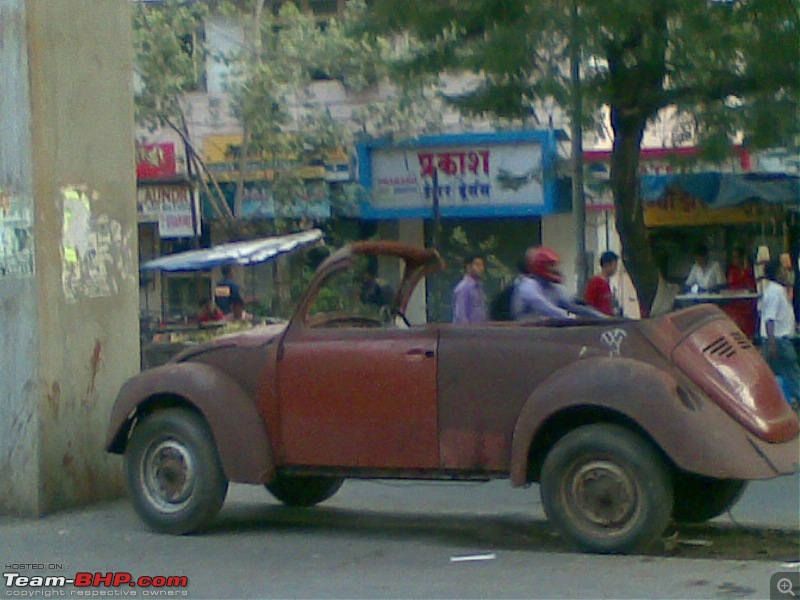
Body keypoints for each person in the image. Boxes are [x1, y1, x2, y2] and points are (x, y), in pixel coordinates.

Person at [511, 246, 607, 321]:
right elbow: (545, 308)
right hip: (525, 335)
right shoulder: (528, 286)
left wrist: (601, 317)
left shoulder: (552, 288)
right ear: (540, 266)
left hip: (542, 334)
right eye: (551, 266)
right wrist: (569, 319)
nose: (555, 269)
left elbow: (572, 306)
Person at [759, 259, 800, 409]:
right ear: (776, 272)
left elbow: (781, 315)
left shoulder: (777, 290)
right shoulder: (775, 292)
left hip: (778, 339)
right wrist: (772, 343)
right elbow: (770, 319)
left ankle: (782, 401)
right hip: (778, 340)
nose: (785, 272)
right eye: (783, 269)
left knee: (774, 372)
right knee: (791, 370)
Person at [452, 254, 487, 324]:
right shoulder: (463, 288)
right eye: (478, 265)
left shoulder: (479, 287)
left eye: (482, 265)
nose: (481, 268)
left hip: (480, 331)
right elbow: (460, 316)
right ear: (468, 267)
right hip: (468, 332)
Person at [584, 251, 620, 317]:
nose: (616, 269)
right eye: (614, 265)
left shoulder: (607, 283)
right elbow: (589, 304)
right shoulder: (595, 282)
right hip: (599, 322)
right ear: (607, 265)